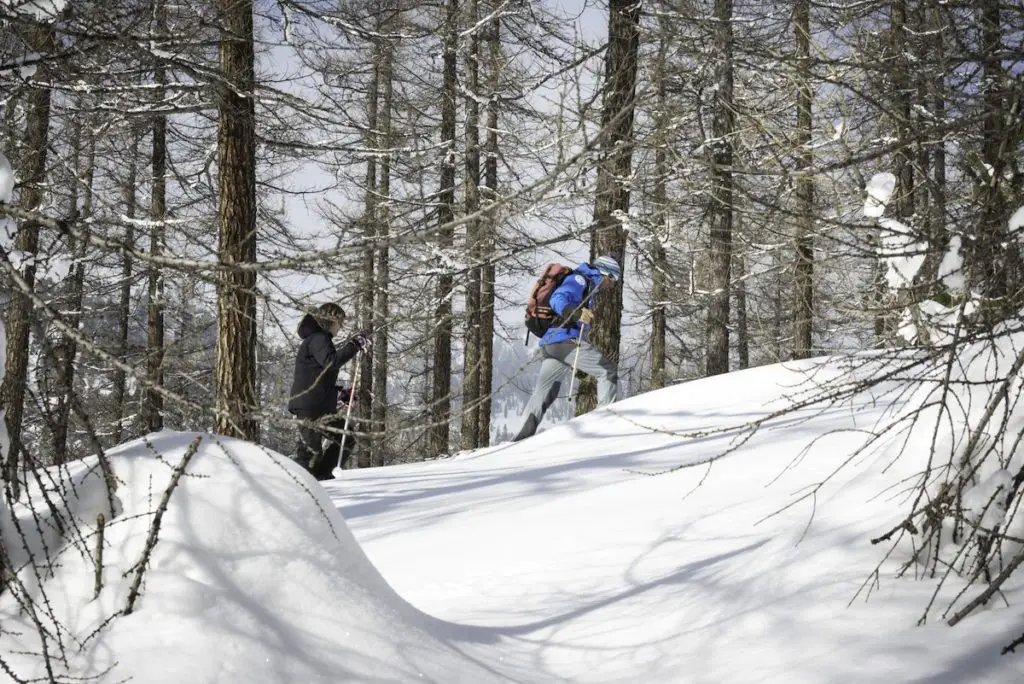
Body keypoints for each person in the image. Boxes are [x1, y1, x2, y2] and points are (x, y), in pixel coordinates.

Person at [514, 255, 621, 441]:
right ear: (606, 274)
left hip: (552, 343)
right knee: (607, 370)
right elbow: (558, 298)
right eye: (612, 280)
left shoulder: (587, 283)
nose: (611, 285)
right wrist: (577, 313)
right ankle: (607, 421)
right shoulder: (581, 279)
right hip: (564, 341)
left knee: (546, 391)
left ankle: (522, 435)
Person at [287, 302, 371, 480]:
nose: (339, 327)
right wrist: (354, 346)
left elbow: (318, 374)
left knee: (345, 437)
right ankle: (301, 484)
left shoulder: (317, 340)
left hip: (317, 404)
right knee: (310, 450)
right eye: (339, 322)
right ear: (331, 320)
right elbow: (330, 362)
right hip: (310, 406)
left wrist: (339, 394)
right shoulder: (318, 338)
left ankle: (322, 477)